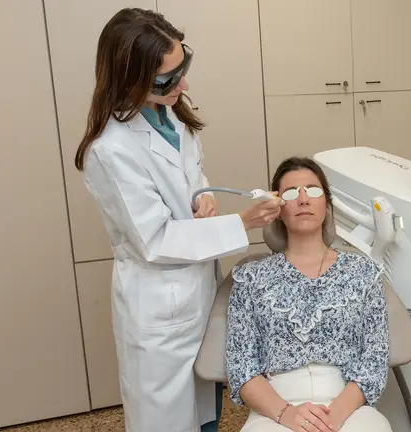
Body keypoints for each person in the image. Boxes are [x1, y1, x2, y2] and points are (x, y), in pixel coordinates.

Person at [74, 8, 282, 432]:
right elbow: (155, 240)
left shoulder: (167, 113)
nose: (183, 85)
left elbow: (190, 175)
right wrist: (242, 223)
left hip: (197, 291)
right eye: (167, 79)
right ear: (130, 80)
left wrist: (203, 198)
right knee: (170, 420)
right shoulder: (111, 150)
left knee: (207, 407)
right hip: (161, 310)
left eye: (182, 67)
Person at [226, 157, 392, 432]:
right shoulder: (250, 278)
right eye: (291, 193)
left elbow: (375, 358)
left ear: (326, 205)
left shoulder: (364, 272)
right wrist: (287, 414)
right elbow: (241, 367)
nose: (303, 199)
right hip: (274, 410)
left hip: (348, 408)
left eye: (313, 191)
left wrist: (333, 416)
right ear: (278, 209)